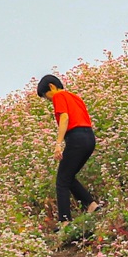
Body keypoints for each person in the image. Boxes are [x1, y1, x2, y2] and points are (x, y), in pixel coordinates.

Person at [37, 73, 97, 225]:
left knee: (62, 181)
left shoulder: (59, 96)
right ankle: (91, 205)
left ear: (52, 86)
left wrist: (58, 143)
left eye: (46, 95)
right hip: (89, 138)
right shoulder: (75, 97)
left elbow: (65, 117)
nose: (48, 99)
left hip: (76, 138)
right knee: (68, 176)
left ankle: (65, 221)